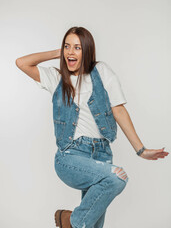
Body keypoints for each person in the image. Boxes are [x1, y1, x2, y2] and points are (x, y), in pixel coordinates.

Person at [16, 26, 169, 228]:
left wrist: (140, 150)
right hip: (70, 155)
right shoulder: (57, 78)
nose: (71, 52)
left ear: (87, 51)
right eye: (67, 46)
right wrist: (59, 53)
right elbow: (22, 63)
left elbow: (119, 110)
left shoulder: (102, 71)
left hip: (102, 154)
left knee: (94, 225)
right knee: (116, 178)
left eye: (77, 48)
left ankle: (72, 222)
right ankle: (71, 222)